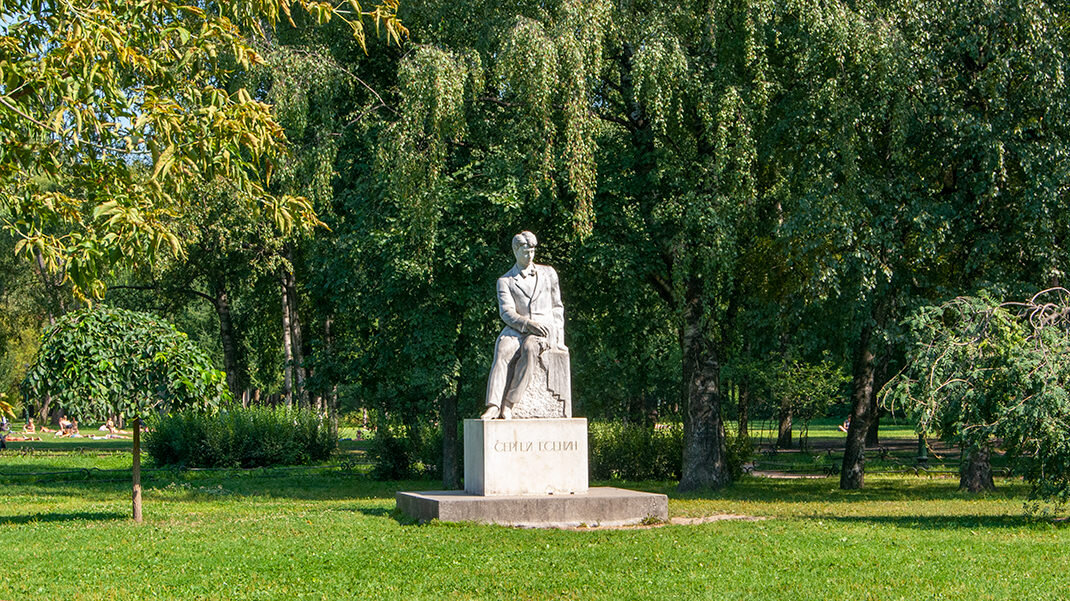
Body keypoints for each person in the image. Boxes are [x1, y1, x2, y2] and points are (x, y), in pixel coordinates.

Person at [481, 231, 569, 419]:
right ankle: (494, 405)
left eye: (532, 252)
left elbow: (557, 306)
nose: (530, 256)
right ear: (515, 251)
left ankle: (510, 402)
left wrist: (559, 338)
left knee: (530, 348)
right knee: (503, 349)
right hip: (518, 327)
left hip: (545, 329)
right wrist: (527, 323)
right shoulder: (505, 281)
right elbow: (506, 313)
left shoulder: (549, 273)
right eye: (525, 252)